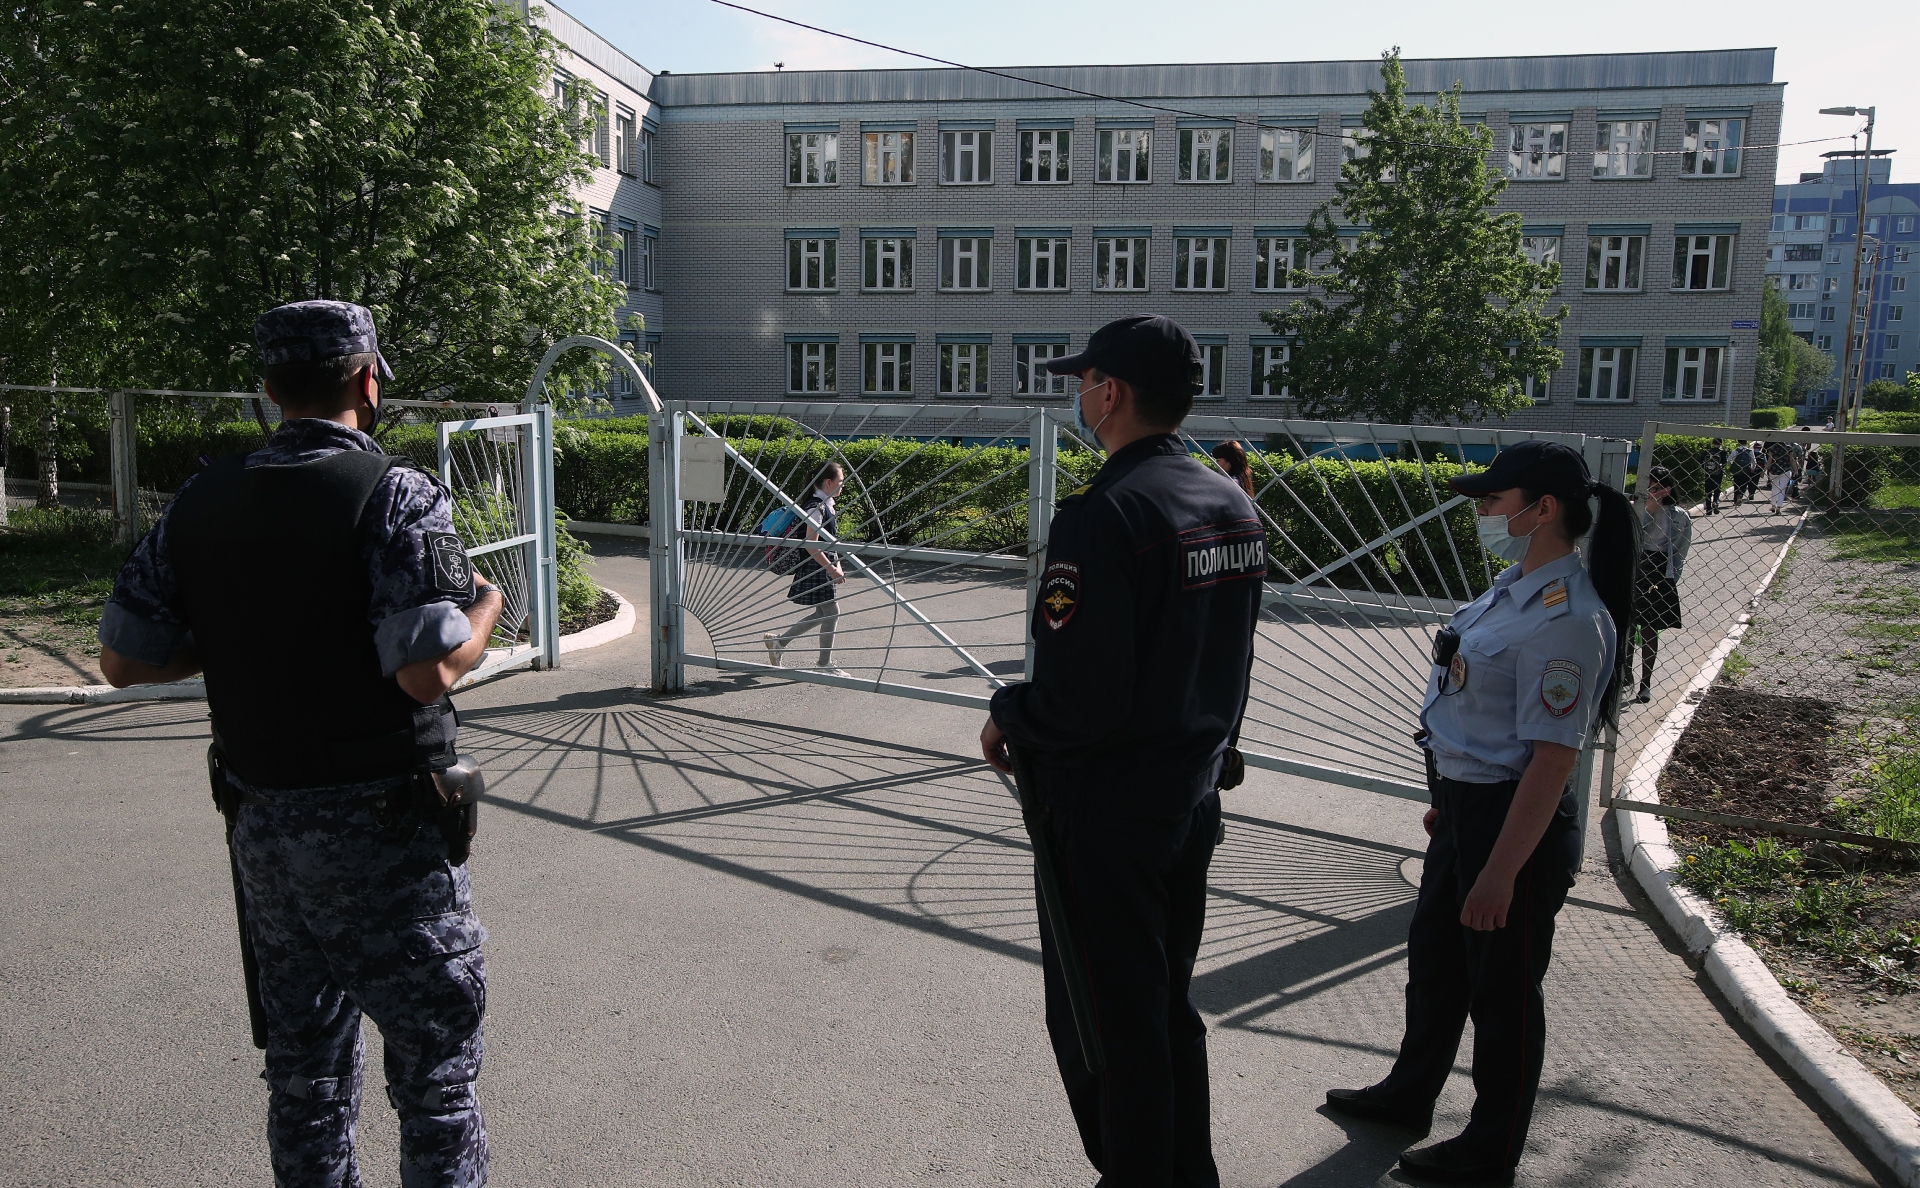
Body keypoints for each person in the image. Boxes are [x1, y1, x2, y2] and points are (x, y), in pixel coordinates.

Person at [96, 300, 503, 1188]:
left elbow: (125, 658)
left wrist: (248, 639)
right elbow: (424, 675)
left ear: (270, 389)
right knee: (435, 1077)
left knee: (306, 1074)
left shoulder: (202, 498)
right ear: (368, 379)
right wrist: (483, 616)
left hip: (266, 836)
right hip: (387, 836)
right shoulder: (394, 493)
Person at [980, 314, 1263, 1186]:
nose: (1077, 394)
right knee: (1165, 1005)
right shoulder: (1229, 499)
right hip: (1190, 795)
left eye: (1082, 380)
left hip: (1106, 814)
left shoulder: (1108, 514)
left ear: (1111, 392)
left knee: (1109, 1022)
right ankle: (1188, 1171)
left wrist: (1008, 712)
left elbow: (1081, 698)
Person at [1323, 439, 1635, 1186]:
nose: (1485, 514)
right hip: (1468, 810)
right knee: (1435, 964)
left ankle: (1490, 1149)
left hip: (1513, 829)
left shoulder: (1566, 618)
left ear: (1543, 509)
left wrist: (1498, 872)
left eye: (1495, 502)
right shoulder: (1511, 588)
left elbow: (1551, 761)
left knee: (1502, 995)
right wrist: (1448, 805)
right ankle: (1407, 1095)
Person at [764, 461, 849, 676]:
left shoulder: (824, 504)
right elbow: (812, 545)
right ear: (828, 482)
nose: (843, 485)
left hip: (820, 564)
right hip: (817, 565)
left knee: (824, 612)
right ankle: (823, 664)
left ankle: (780, 642)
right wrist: (831, 567)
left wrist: (836, 564)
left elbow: (829, 542)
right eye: (840, 481)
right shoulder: (816, 507)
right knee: (830, 611)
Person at [1632, 466, 1690, 703]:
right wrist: (1647, 509)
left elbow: (1679, 551)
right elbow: (1632, 534)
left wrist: (1670, 580)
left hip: (1658, 568)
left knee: (1649, 627)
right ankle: (1625, 675)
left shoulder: (1678, 515)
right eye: (1647, 487)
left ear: (1667, 489)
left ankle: (1645, 683)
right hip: (1635, 564)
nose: (1650, 492)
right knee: (1625, 626)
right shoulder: (1636, 509)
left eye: (1655, 488)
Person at [1765, 437, 1796, 513]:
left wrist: (1764, 471)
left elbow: (1770, 460)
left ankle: (1773, 506)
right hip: (1786, 470)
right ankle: (1779, 506)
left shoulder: (1772, 448)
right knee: (1782, 489)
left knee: (1774, 488)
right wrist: (1796, 469)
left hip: (1774, 470)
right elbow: (1791, 459)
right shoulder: (1788, 448)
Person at [1700, 441, 1729, 515]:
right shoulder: (1722, 452)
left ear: (1712, 443)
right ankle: (1715, 502)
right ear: (1720, 444)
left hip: (1708, 474)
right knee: (1717, 489)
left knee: (1708, 491)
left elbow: (1699, 460)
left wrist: (1705, 468)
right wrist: (1720, 467)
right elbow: (1725, 462)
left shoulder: (1707, 451)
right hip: (1718, 474)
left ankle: (1708, 510)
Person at [1730, 440, 1759, 507]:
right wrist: (1752, 468)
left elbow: (1729, 459)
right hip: (1746, 470)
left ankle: (1735, 499)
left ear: (1738, 443)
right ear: (1746, 443)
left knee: (1736, 484)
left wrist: (1732, 466)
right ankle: (1740, 495)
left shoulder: (1736, 451)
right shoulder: (1750, 451)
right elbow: (1754, 461)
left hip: (1737, 470)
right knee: (1744, 484)